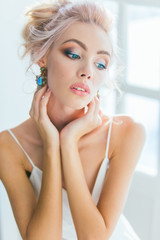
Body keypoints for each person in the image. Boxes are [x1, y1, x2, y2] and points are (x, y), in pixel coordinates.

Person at [0, 0, 146, 239]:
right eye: (74, 54)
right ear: (42, 56)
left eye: (100, 63)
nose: (88, 71)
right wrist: (51, 145)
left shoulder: (127, 133)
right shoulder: (8, 146)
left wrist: (68, 142)